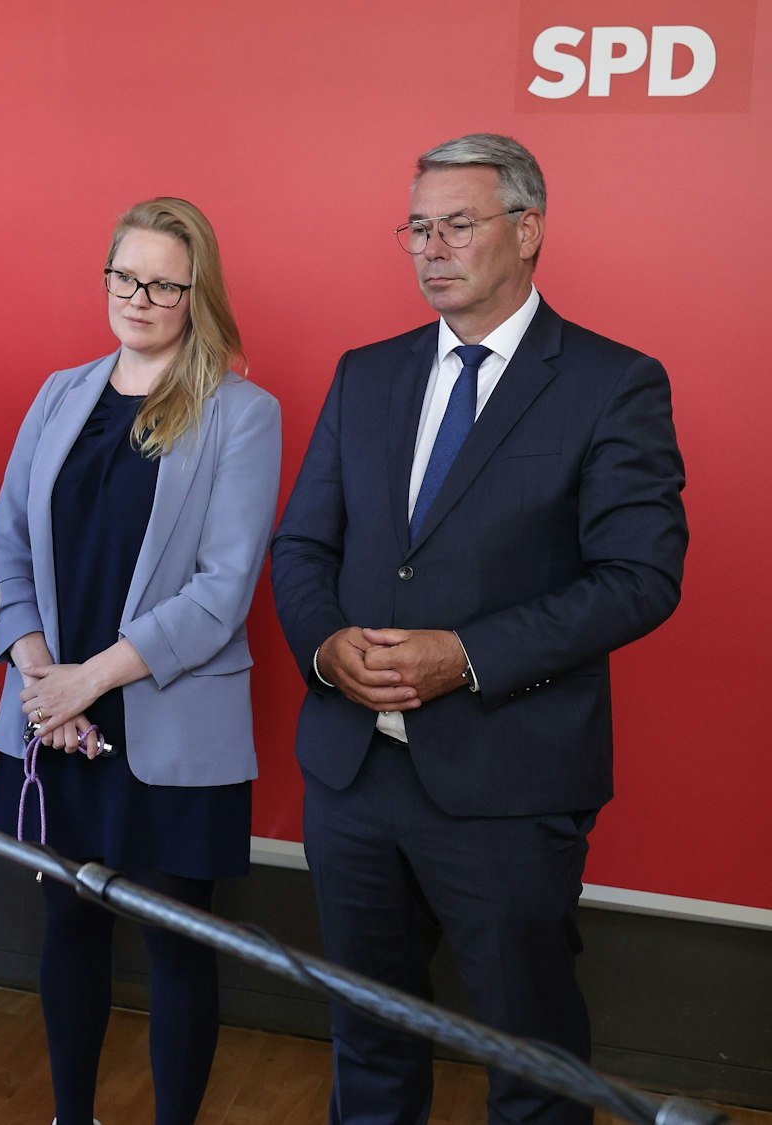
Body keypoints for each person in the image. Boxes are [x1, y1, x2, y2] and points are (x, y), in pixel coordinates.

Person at [271, 133, 687, 1125]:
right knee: (367, 1043)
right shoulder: (366, 374)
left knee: (530, 1064)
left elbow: (639, 577)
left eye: (456, 225)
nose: (431, 248)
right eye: (416, 227)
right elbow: (301, 547)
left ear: (527, 229)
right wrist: (325, 649)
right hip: (353, 775)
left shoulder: (611, 382)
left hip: (508, 782)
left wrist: (464, 657)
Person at [0, 198, 279, 1125]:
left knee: (175, 944)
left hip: (167, 719)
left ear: (199, 294)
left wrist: (90, 679)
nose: (139, 298)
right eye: (125, 277)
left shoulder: (243, 413)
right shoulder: (59, 393)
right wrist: (44, 678)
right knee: (68, 921)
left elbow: (223, 590)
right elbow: (6, 545)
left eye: (163, 284)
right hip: (51, 712)